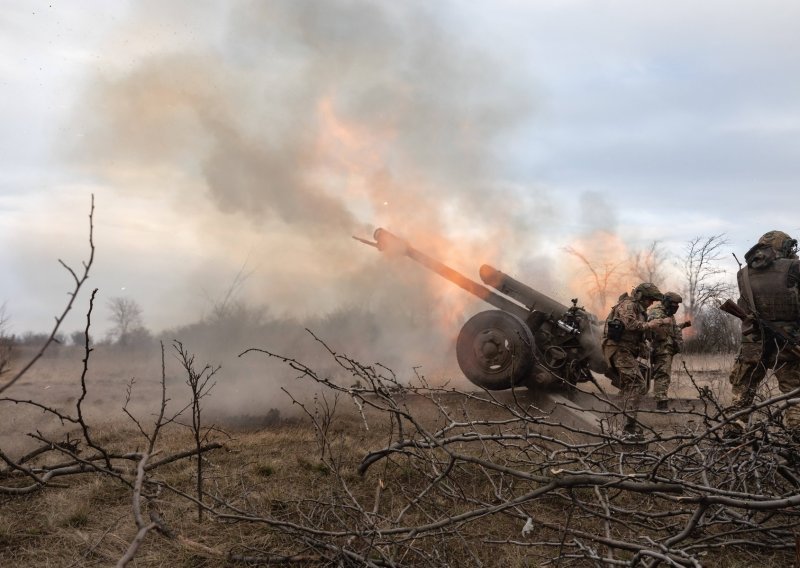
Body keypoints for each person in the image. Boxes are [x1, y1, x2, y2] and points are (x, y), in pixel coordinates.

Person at [726, 230, 800, 436]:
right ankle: (796, 439)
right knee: (794, 393)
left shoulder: (744, 274)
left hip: (753, 343)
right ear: (783, 247)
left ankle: (733, 434)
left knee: (742, 391)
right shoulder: (795, 267)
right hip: (789, 344)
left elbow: (745, 305)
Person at [603, 282, 671, 439]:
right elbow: (629, 324)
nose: (651, 303)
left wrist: (643, 347)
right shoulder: (628, 305)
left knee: (635, 383)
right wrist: (654, 323)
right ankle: (629, 427)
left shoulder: (640, 310)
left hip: (626, 351)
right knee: (637, 383)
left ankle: (616, 414)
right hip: (618, 349)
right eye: (649, 299)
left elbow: (635, 335)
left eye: (653, 300)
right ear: (640, 296)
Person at [648, 292, 690, 411]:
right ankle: (661, 403)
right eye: (673, 304)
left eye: (677, 304)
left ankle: (657, 398)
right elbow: (656, 329)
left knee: (660, 373)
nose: (676, 306)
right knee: (663, 374)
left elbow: (672, 328)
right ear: (666, 302)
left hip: (666, 348)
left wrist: (682, 328)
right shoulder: (657, 312)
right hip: (660, 348)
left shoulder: (668, 313)